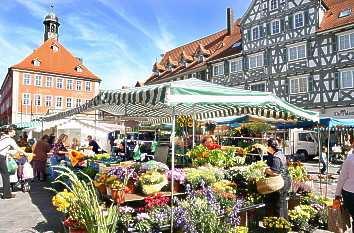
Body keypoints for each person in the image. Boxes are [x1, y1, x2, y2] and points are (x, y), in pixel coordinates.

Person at [265, 138, 291, 218]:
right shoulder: (280, 153)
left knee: (278, 205)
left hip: (280, 183)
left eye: (267, 146)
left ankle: (279, 226)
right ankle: (285, 224)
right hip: (286, 181)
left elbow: (275, 172)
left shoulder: (276, 157)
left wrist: (265, 169)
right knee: (283, 204)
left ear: (270, 147)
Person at [0, 127, 27, 199]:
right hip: (1, 157)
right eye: (13, 132)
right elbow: (17, 148)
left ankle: (7, 193)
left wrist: (9, 152)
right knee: (5, 175)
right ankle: (7, 195)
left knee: (4, 175)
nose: (15, 134)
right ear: (9, 132)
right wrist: (25, 153)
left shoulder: (2, 138)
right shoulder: (9, 139)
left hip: (1, 156)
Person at [335, 137, 354, 233]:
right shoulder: (350, 158)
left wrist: (337, 195)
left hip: (349, 194)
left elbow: (342, 178)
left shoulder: (350, 158)